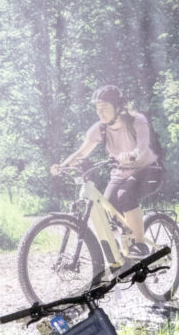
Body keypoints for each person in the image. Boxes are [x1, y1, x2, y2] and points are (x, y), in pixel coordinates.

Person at [55, 86, 162, 251]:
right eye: (97, 109)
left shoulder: (137, 120)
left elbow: (143, 148)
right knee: (105, 208)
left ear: (118, 107)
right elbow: (82, 152)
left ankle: (140, 246)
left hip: (148, 170)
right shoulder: (101, 128)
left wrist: (132, 155)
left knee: (125, 195)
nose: (100, 113)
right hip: (120, 174)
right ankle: (124, 250)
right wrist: (63, 166)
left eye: (104, 108)